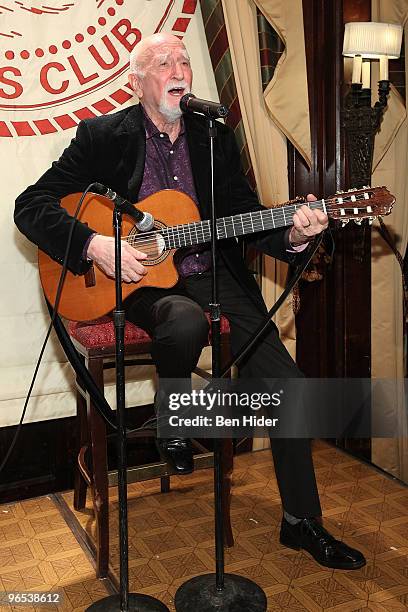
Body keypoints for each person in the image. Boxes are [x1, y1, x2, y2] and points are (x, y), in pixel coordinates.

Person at [14, 33, 365, 570]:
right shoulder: (104, 136)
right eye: (162, 62)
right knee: (180, 321)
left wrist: (295, 233)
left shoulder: (212, 137)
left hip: (212, 278)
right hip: (136, 283)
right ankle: (176, 419)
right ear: (136, 83)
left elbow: (247, 216)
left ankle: (301, 523)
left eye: (184, 60)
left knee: (291, 387)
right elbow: (30, 204)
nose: (178, 67)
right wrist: (95, 246)